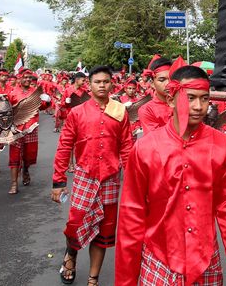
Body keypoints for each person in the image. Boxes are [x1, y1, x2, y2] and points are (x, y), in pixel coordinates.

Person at [116, 62, 226, 286]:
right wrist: (126, 280)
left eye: (205, 98)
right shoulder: (146, 148)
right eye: (190, 98)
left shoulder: (221, 145)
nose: (199, 106)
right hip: (159, 257)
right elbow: (132, 215)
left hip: (205, 258)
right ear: (171, 99)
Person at [51, 65, 133, 286]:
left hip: (110, 178)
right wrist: (58, 181)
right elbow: (64, 146)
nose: (102, 85)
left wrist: (133, 180)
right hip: (85, 176)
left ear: (111, 84)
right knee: (75, 224)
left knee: (104, 232)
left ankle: (93, 278)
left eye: (106, 82)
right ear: (90, 85)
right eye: (98, 82)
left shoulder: (119, 111)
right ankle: (70, 257)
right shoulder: (77, 113)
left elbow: (126, 145)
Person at [7, 69, 50, 194]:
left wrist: (47, 101)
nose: (27, 80)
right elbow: (6, 112)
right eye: (25, 77)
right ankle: (14, 184)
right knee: (14, 156)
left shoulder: (36, 93)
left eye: (29, 78)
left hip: (31, 128)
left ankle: (26, 169)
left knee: (28, 155)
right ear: (19, 78)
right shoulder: (12, 93)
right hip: (16, 129)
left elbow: (41, 107)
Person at [137, 55, 173, 135]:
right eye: (162, 80)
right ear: (152, 83)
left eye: (171, 79)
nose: (168, 83)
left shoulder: (183, 103)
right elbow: (156, 140)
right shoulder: (147, 110)